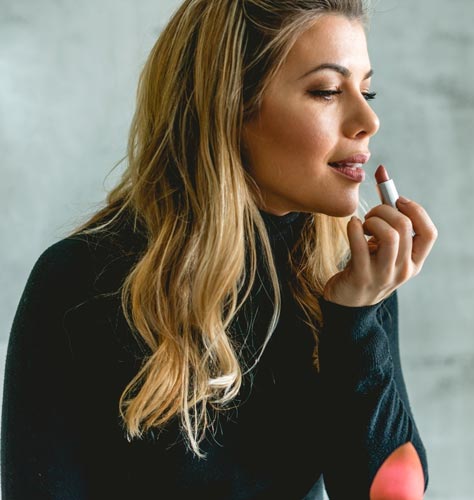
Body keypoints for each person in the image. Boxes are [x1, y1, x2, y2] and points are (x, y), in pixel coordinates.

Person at [1, 0, 437, 498]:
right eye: (327, 91)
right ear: (230, 106)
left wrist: (357, 318)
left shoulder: (351, 274)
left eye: (367, 89)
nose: (368, 119)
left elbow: (389, 493)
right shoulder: (81, 281)